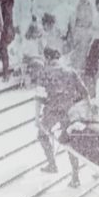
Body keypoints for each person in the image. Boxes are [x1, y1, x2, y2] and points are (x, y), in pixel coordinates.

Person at [35, 46, 89, 187]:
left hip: (51, 112)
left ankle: (52, 164)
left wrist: (36, 117)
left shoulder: (44, 72)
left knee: (42, 135)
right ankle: (75, 176)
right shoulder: (70, 71)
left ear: (47, 58)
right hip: (69, 112)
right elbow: (85, 92)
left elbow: (39, 97)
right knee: (70, 143)